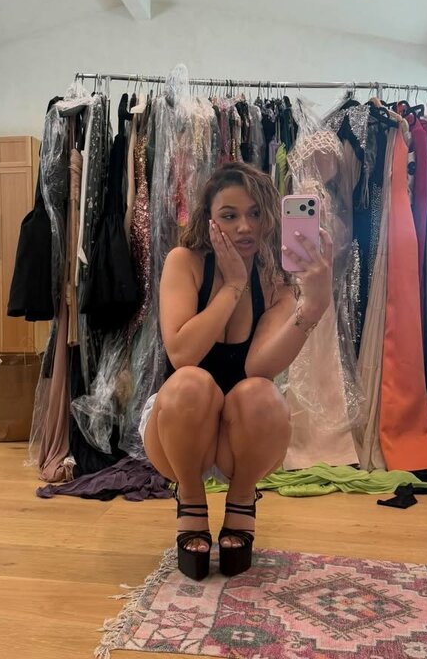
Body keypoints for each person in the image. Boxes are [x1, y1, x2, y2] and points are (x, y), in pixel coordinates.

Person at [140, 163, 333, 580]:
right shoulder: (185, 262)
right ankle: (190, 498)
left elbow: (258, 367)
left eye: (255, 213)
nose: (244, 226)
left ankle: (242, 497)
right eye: (229, 215)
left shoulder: (277, 281)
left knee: (261, 391)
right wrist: (231, 286)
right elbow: (182, 354)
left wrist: (313, 307)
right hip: (177, 434)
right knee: (192, 380)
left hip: (240, 440)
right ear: (209, 219)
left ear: (269, 219)